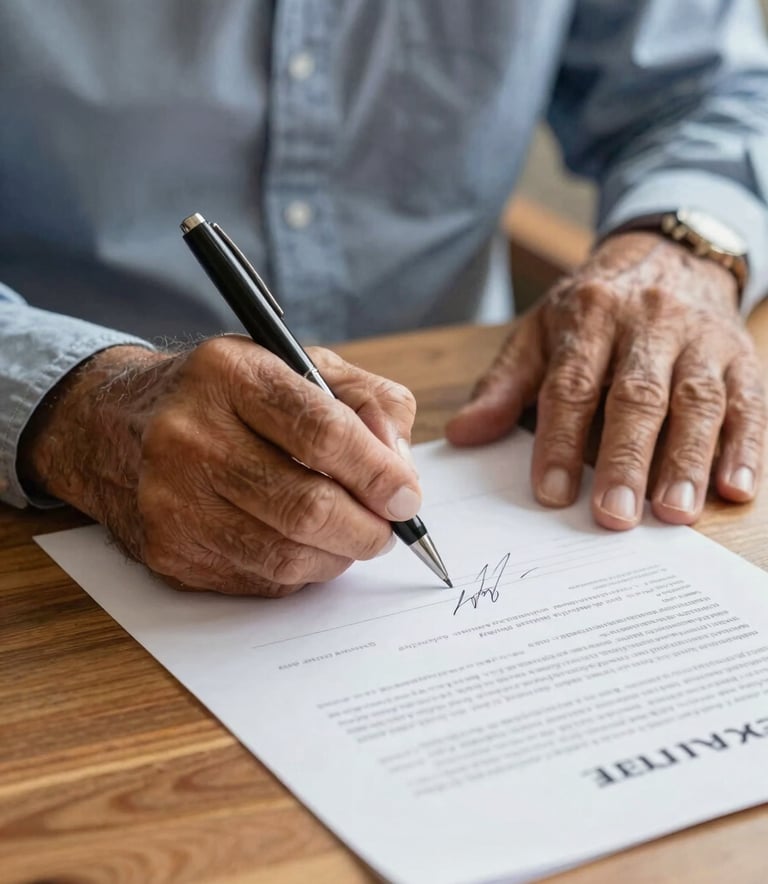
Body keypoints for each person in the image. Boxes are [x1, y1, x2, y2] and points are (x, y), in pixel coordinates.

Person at [2, 1, 767, 597]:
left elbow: (706, 91)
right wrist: (76, 405)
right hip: (49, 521)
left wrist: (681, 250)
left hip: (467, 412)